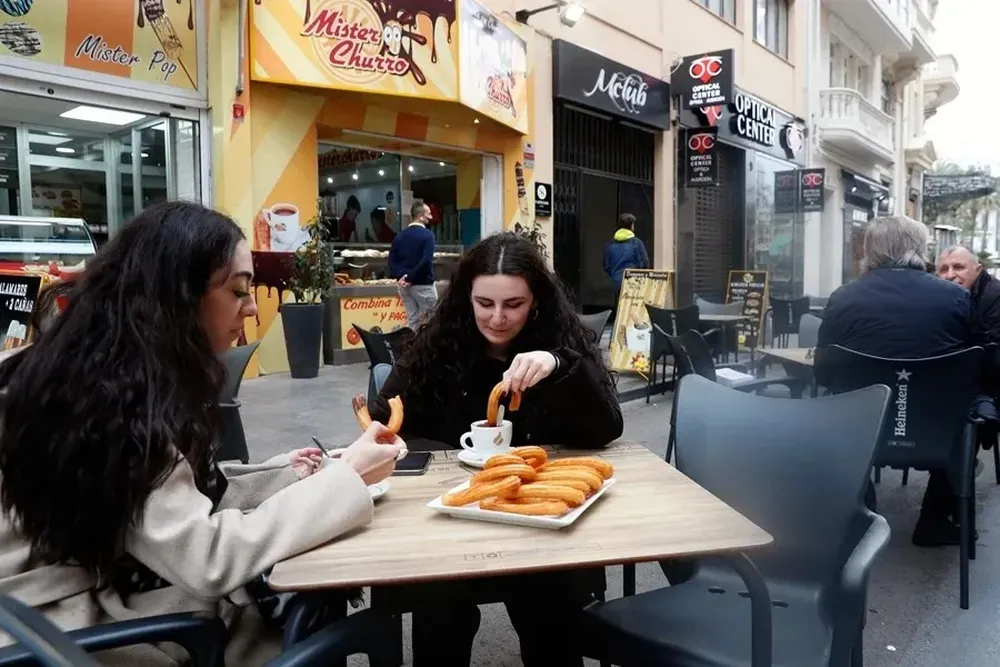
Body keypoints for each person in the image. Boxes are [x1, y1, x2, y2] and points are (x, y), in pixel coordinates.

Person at [0, 201, 403, 664]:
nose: (252, 309)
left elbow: (165, 492)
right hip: (62, 634)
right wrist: (347, 473)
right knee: (330, 614)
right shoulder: (114, 404)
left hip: (63, 603)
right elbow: (206, 557)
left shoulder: (91, 370)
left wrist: (291, 474)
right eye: (238, 291)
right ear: (178, 297)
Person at [370, 232, 622, 667]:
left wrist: (559, 364)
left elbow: (607, 428)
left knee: (550, 609)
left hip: (538, 517)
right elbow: (386, 421)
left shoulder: (559, 344)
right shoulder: (441, 344)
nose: (498, 318)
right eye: (485, 303)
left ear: (537, 301)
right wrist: (452, 458)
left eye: (514, 304)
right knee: (440, 608)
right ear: (467, 297)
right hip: (453, 515)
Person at [815, 215, 972, 547]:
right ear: (918, 249)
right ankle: (933, 521)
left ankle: (862, 515)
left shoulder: (844, 297)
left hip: (861, 433)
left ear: (870, 250)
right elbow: (967, 370)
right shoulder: (955, 298)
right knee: (962, 420)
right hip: (936, 434)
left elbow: (823, 373)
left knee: (832, 410)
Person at [388, 200, 438, 330]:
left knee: (412, 320)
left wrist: (401, 277)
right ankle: (428, 349)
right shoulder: (428, 236)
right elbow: (426, 261)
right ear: (420, 216)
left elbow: (392, 260)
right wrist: (410, 277)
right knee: (432, 322)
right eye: (429, 214)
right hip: (423, 286)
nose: (431, 217)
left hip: (404, 287)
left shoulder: (399, 236)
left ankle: (411, 348)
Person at [602, 213, 649, 302]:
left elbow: (606, 266)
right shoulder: (636, 243)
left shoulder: (610, 244)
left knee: (619, 309)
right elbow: (644, 264)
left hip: (617, 284)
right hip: (634, 284)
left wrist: (616, 275)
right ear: (631, 226)